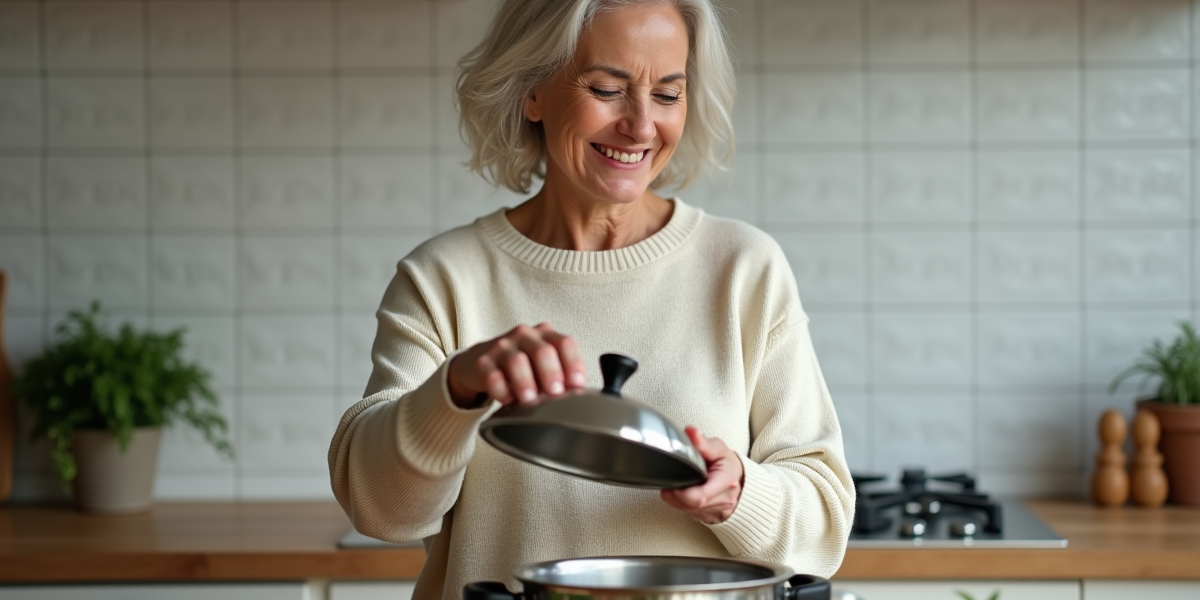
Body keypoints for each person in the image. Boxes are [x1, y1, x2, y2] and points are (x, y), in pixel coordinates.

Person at [327, 0, 855, 598]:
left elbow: (825, 526)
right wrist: (456, 390)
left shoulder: (742, 269)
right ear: (532, 92)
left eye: (667, 94)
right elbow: (379, 510)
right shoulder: (445, 278)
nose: (641, 125)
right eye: (608, 88)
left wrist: (738, 493)